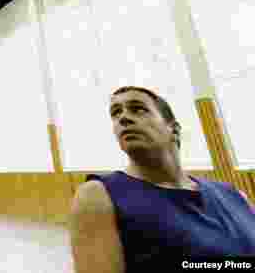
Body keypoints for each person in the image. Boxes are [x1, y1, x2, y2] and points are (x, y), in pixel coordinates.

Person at [70, 86, 255, 271]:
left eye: (138, 109)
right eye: (116, 112)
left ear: (173, 129)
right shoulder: (99, 195)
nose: (123, 118)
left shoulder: (234, 195)